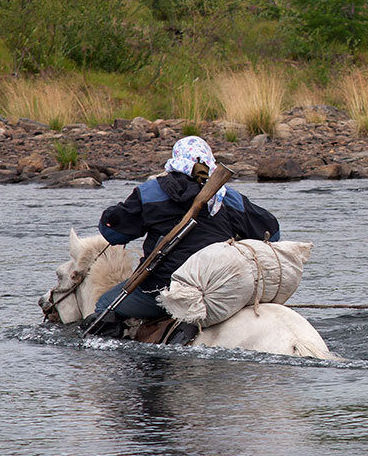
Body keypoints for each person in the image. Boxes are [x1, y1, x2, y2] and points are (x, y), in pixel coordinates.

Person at [83, 136, 280, 340]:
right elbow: (272, 234)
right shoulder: (227, 196)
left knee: (105, 303)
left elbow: (114, 233)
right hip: (219, 287)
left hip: (162, 290)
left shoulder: (150, 192)